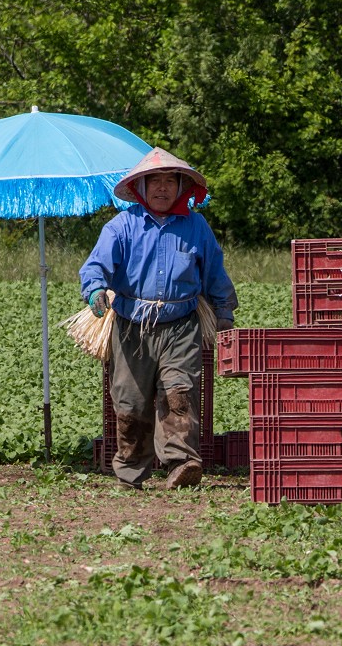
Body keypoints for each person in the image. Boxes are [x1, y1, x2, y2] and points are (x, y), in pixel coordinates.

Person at [80, 147, 237, 489]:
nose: (162, 188)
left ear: (182, 187)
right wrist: (95, 291)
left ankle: (182, 465)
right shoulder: (122, 226)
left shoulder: (196, 228)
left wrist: (224, 313)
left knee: (179, 393)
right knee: (130, 402)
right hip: (131, 327)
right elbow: (95, 266)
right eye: (155, 181)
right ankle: (131, 471)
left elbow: (214, 274)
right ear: (141, 187)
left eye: (170, 181)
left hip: (181, 325)